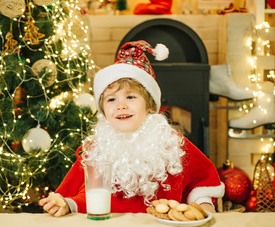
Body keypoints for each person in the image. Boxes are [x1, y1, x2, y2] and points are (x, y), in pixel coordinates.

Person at [39, 40, 224, 217]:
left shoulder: (171, 143)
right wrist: (66, 204)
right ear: (103, 110)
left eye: (130, 97)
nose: (121, 105)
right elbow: (81, 197)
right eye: (111, 99)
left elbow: (201, 179)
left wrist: (203, 204)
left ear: (151, 106)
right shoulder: (96, 150)